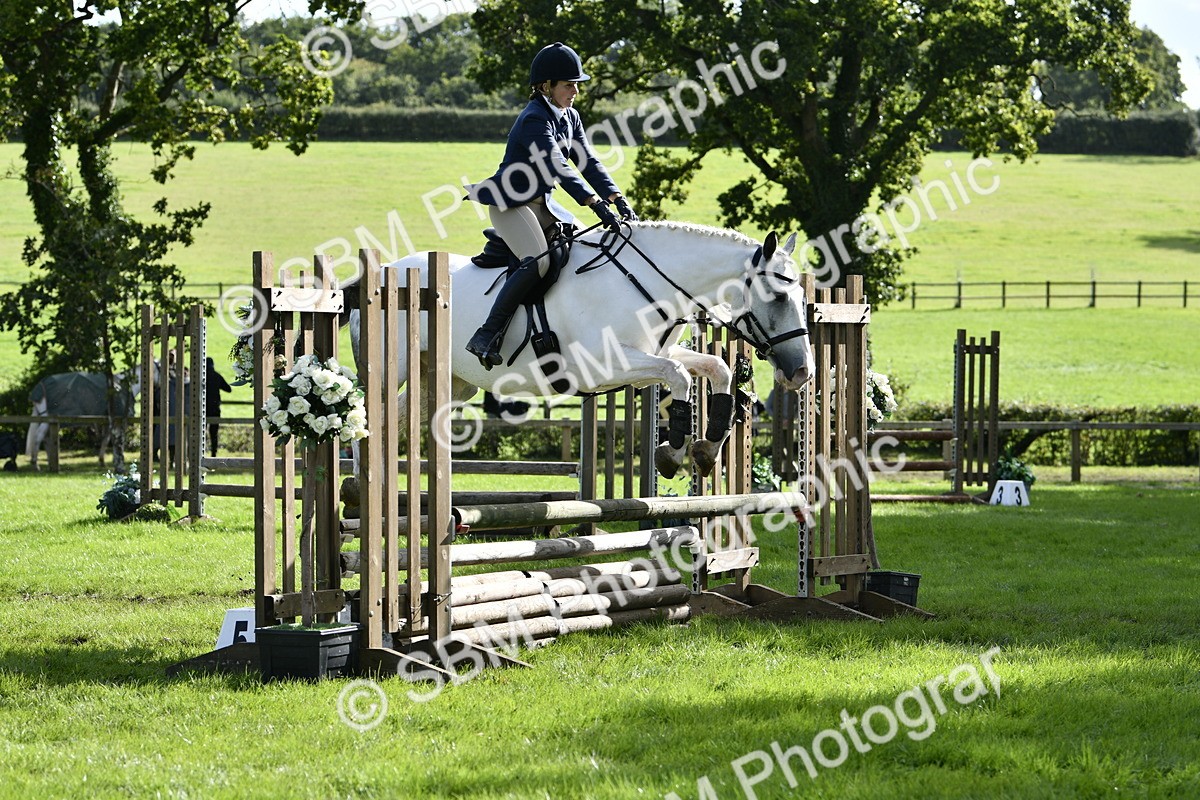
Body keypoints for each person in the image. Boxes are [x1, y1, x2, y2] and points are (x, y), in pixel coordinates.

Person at [464, 41, 639, 369]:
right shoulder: (534, 119)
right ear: (546, 87)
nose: (575, 91)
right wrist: (594, 203)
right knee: (537, 262)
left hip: (543, 205)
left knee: (582, 249)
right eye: (569, 85)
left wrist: (618, 199)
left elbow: (587, 162)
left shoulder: (570, 117)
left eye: (576, 85)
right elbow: (558, 166)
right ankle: (486, 335)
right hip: (511, 204)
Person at [205, 356, 233, 457]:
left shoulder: (202, 376)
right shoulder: (216, 376)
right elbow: (228, 389)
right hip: (215, 408)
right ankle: (214, 453)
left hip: (203, 408)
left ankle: (202, 451)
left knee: (201, 431)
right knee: (214, 433)